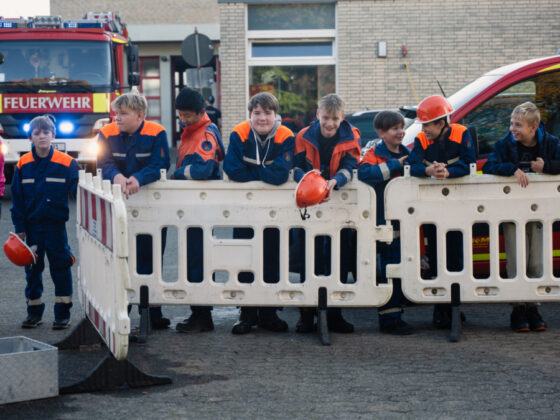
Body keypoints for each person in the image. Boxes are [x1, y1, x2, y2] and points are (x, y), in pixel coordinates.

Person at [482, 101, 560, 332]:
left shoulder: (551, 143)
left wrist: (546, 167)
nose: (513, 129)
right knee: (516, 260)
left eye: (518, 125)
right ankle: (518, 308)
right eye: (511, 123)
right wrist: (511, 169)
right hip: (512, 211)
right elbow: (489, 166)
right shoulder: (505, 144)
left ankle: (533, 307)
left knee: (536, 261)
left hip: (539, 213)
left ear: (534, 127)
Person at [97, 91, 171, 330]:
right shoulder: (106, 133)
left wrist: (139, 178)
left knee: (151, 260)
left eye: (123, 113)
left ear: (140, 115)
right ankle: (123, 310)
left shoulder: (157, 133)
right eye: (116, 113)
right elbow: (103, 162)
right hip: (119, 209)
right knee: (121, 259)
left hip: (152, 209)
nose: (116, 117)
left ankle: (152, 313)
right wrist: (116, 176)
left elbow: (161, 164)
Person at [223, 91, 294, 334]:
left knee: (272, 260)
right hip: (244, 209)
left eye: (267, 113)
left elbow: (282, 174)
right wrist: (265, 173)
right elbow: (232, 169)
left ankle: (269, 314)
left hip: (274, 212)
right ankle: (246, 314)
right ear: (250, 115)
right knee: (245, 260)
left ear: (276, 115)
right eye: (257, 113)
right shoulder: (239, 133)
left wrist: (252, 174)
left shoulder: (286, 136)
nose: (262, 118)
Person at [293, 93, 361, 334]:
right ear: (317, 115)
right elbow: (297, 167)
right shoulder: (303, 136)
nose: (329, 123)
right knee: (308, 259)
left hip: (338, 203)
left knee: (338, 259)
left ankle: (335, 314)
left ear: (342, 118)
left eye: (334, 118)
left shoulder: (351, 135)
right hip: (309, 206)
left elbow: (352, 166)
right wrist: (309, 182)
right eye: (325, 118)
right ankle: (306, 315)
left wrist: (335, 182)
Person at [408, 95, 476, 329]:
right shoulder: (420, 139)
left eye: (427, 124)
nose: (424, 129)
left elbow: (469, 164)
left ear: (441, 122)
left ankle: (454, 306)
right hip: (432, 209)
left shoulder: (462, 133)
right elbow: (412, 166)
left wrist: (448, 172)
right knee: (436, 258)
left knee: (456, 257)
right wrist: (429, 171)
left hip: (458, 207)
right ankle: (440, 309)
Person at [10, 115, 80, 329]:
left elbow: (81, 193)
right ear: (30, 137)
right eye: (37, 133)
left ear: (53, 135)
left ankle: (62, 314)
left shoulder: (67, 163)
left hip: (56, 228)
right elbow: (17, 199)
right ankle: (34, 312)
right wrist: (20, 229)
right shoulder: (23, 164)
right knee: (32, 270)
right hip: (32, 229)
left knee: (61, 267)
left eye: (46, 132)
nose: (42, 137)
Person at [172, 87, 225, 333]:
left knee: (198, 262)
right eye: (181, 115)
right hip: (194, 206)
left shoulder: (204, 134)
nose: (183, 119)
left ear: (201, 112)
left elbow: (203, 170)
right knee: (192, 260)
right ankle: (199, 314)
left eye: (188, 115)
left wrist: (178, 174)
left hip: (201, 208)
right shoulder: (193, 130)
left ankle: (202, 317)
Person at [358, 110, 413, 335]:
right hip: (382, 223)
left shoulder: (409, 153)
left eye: (402, 127)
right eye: (394, 129)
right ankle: (389, 319)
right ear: (381, 132)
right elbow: (363, 174)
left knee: (402, 267)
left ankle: (397, 313)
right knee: (386, 270)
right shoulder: (373, 154)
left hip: (405, 223)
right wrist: (394, 166)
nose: (400, 132)